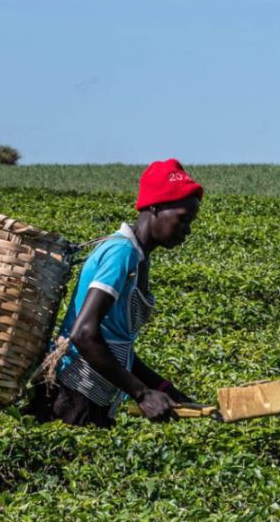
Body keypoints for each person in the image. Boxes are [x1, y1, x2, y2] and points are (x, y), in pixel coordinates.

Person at [28, 159, 202, 427]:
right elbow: (84, 333)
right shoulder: (121, 252)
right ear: (154, 207)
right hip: (72, 395)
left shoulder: (139, 259)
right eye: (183, 219)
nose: (187, 231)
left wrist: (168, 391)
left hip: (93, 398)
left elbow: (118, 347)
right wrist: (142, 393)